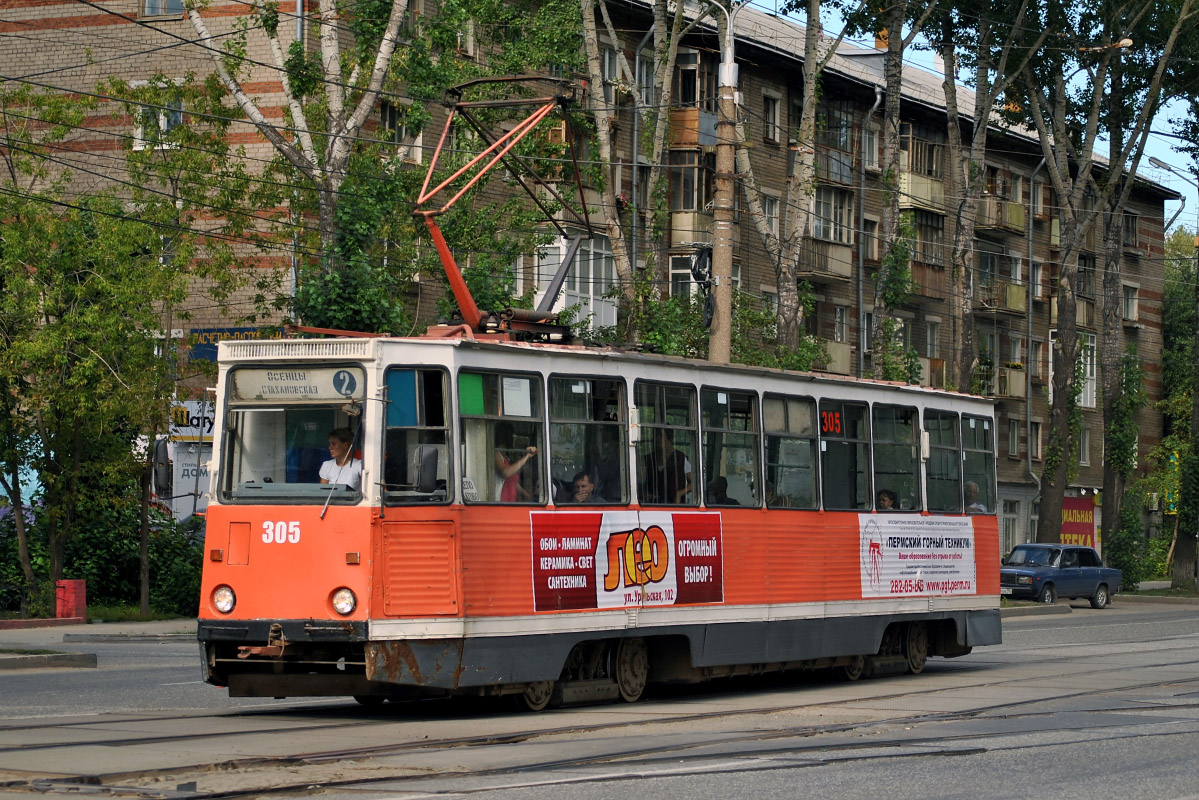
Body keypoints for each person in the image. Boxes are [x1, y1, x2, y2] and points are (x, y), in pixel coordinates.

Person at [643, 428, 692, 504]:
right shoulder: (649, 459)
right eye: (656, 436)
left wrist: (680, 493)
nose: (658, 438)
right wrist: (645, 492)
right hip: (651, 506)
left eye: (661, 435)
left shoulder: (680, 458)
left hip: (674, 507)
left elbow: (694, 483)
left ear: (669, 437)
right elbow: (640, 481)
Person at [494, 422, 536, 502]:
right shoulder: (496, 454)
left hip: (511, 502)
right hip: (501, 502)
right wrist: (526, 456)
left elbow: (514, 482)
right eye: (513, 436)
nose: (514, 439)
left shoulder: (506, 457)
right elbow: (505, 473)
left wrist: (528, 496)